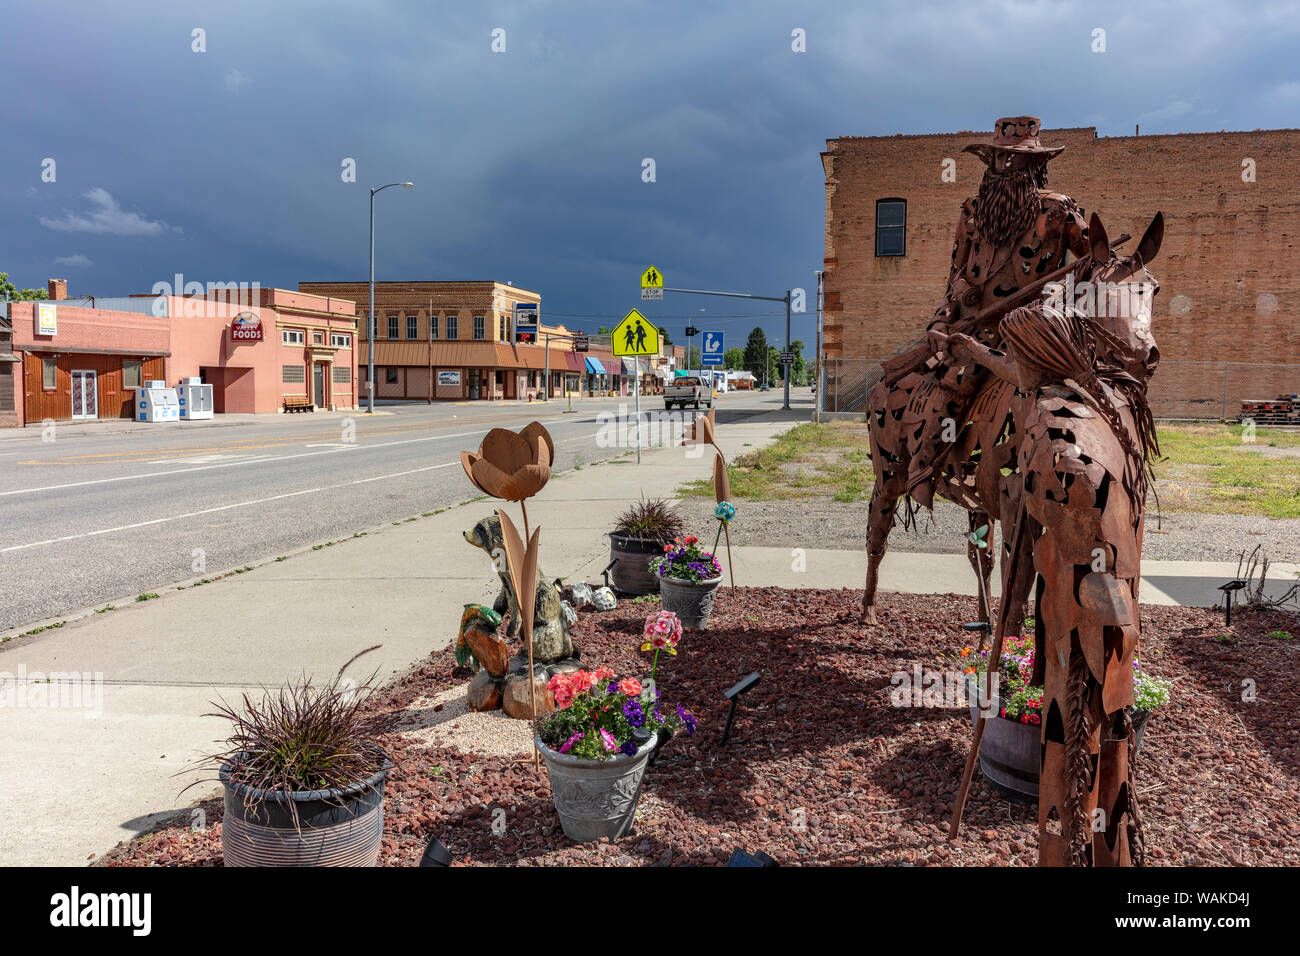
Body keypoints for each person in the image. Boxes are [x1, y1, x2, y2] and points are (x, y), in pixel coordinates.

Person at [898, 116, 1093, 508]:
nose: (1007, 168)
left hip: (1036, 331)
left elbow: (1094, 266)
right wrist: (940, 320)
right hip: (976, 334)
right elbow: (955, 273)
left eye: (1017, 160)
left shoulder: (1059, 211)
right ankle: (925, 468)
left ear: (1036, 166)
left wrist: (1060, 296)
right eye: (1000, 160)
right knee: (950, 388)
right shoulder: (972, 211)